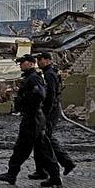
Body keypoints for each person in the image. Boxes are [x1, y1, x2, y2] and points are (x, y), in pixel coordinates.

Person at [0, 54, 62, 187]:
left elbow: (40, 94)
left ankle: (12, 174)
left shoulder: (34, 78)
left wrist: (27, 101)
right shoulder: (30, 77)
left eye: (23, 63)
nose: (20, 65)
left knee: (26, 147)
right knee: (38, 148)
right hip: (34, 117)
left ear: (31, 64)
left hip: (33, 118)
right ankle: (52, 176)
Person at [28, 52, 76, 180]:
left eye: (41, 60)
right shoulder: (49, 73)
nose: (39, 62)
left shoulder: (49, 74)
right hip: (50, 109)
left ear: (48, 60)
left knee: (44, 139)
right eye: (38, 60)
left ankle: (53, 168)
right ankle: (45, 169)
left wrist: (45, 112)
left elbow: (51, 95)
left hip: (50, 110)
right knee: (44, 139)